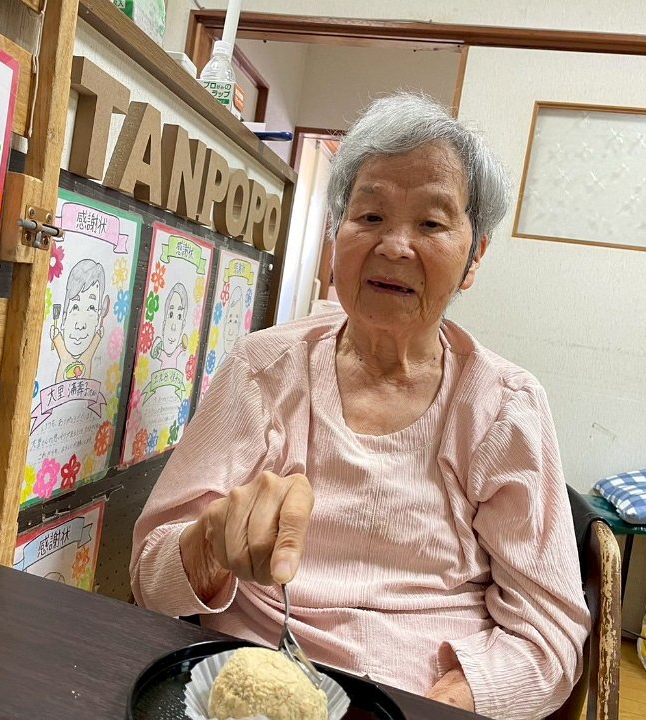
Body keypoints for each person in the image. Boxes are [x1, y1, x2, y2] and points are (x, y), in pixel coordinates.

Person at [130, 92, 589, 720]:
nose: (395, 246)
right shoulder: (261, 371)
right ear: (336, 236)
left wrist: (439, 705)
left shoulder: (504, 407)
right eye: (369, 215)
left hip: (416, 700)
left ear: (474, 256)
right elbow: (149, 578)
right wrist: (209, 545)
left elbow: (549, 636)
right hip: (248, 687)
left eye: (431, 224)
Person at [50, 258, 107, 382]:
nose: (80, 325)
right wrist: (56, 337)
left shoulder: (87, 356)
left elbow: (94, 343)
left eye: (91, 308)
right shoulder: (64, 354)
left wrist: (98, 336)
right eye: (75, 307)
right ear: (64, 318)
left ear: (98, 318)